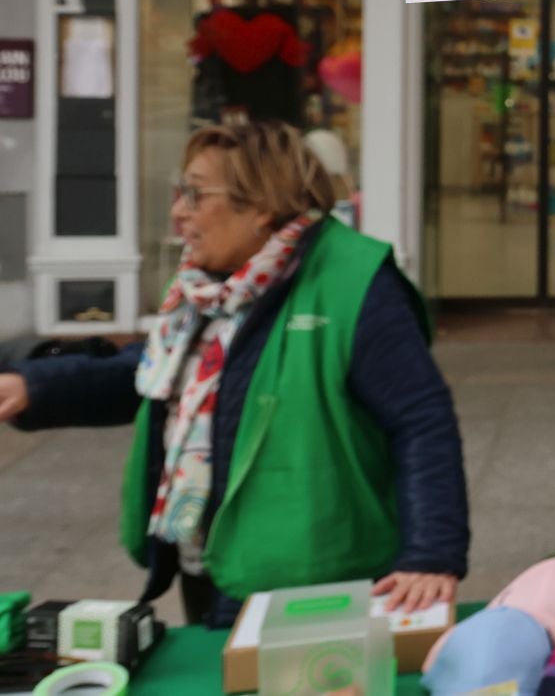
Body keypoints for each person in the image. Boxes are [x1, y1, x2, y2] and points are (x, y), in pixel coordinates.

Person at [0, 122, 467, 626]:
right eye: (180, 193)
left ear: (262, 205)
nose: (178, 212)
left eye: (196, 195)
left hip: (314, 575)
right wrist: (36, 387)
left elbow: (421, 420)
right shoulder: (205, 286)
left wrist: (430, 556)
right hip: (211, 561)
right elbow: (156, 374)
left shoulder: (356, 284)